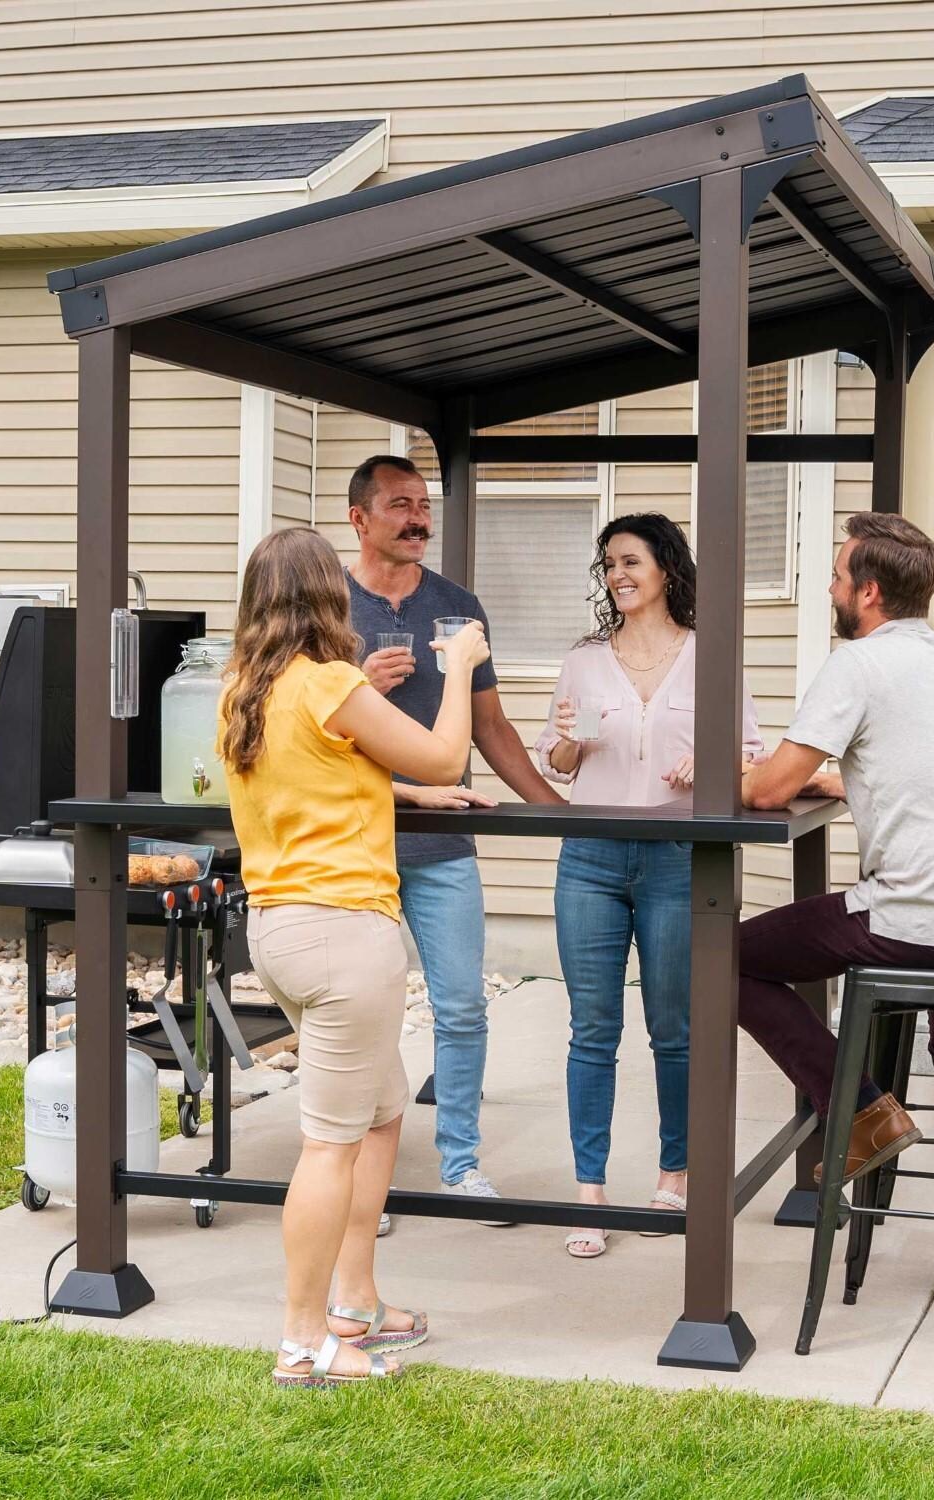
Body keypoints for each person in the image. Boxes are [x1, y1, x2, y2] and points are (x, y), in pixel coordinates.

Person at [739, 511, 934, 1303]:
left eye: (837, 577)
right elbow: (931, 772)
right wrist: (839, 780)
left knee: (724, 957)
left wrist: (721, 776)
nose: (832, 590)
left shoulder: (859, 664)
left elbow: (766, 789)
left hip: (920, 919)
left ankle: (863, 1109)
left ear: (867, 593)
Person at [219, 526, 491, 1388]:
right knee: (329, 1143)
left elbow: (325, 770)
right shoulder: (330, 682)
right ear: (325, 598)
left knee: (379, 1112)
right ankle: (303, 1342)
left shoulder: (246, 692)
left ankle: (354, 1303)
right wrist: (458, 667)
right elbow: (449, 746)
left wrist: (408, 790)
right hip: (345, 932)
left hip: (280, 929)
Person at [345, 454, 565, 1224]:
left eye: (424, 505)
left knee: (463, 1006)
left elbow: (495, 727)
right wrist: (361, 687)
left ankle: (462, 1165)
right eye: (400, 505)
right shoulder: (325, 606)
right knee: (363, 1014)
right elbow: (301, 729)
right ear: (359, 519)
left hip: (442, 849)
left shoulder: (458, 606)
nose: (418, 518)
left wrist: (554, 813)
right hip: (354, 845)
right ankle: (360, 1180)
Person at [536, 513, 763, 1258]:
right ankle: (589, 1193)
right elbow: (559, 764)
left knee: (676, 1030)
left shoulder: (711, 655)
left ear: (666, 567)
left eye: (630, 561)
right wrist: (569, 738)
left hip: (675, 855)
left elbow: (752, 757)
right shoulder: (584, 660)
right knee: (593, 1030)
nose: (617, 575)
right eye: (608, 565)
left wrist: (716, 765)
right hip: (592, 857)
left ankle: (676, 1172)